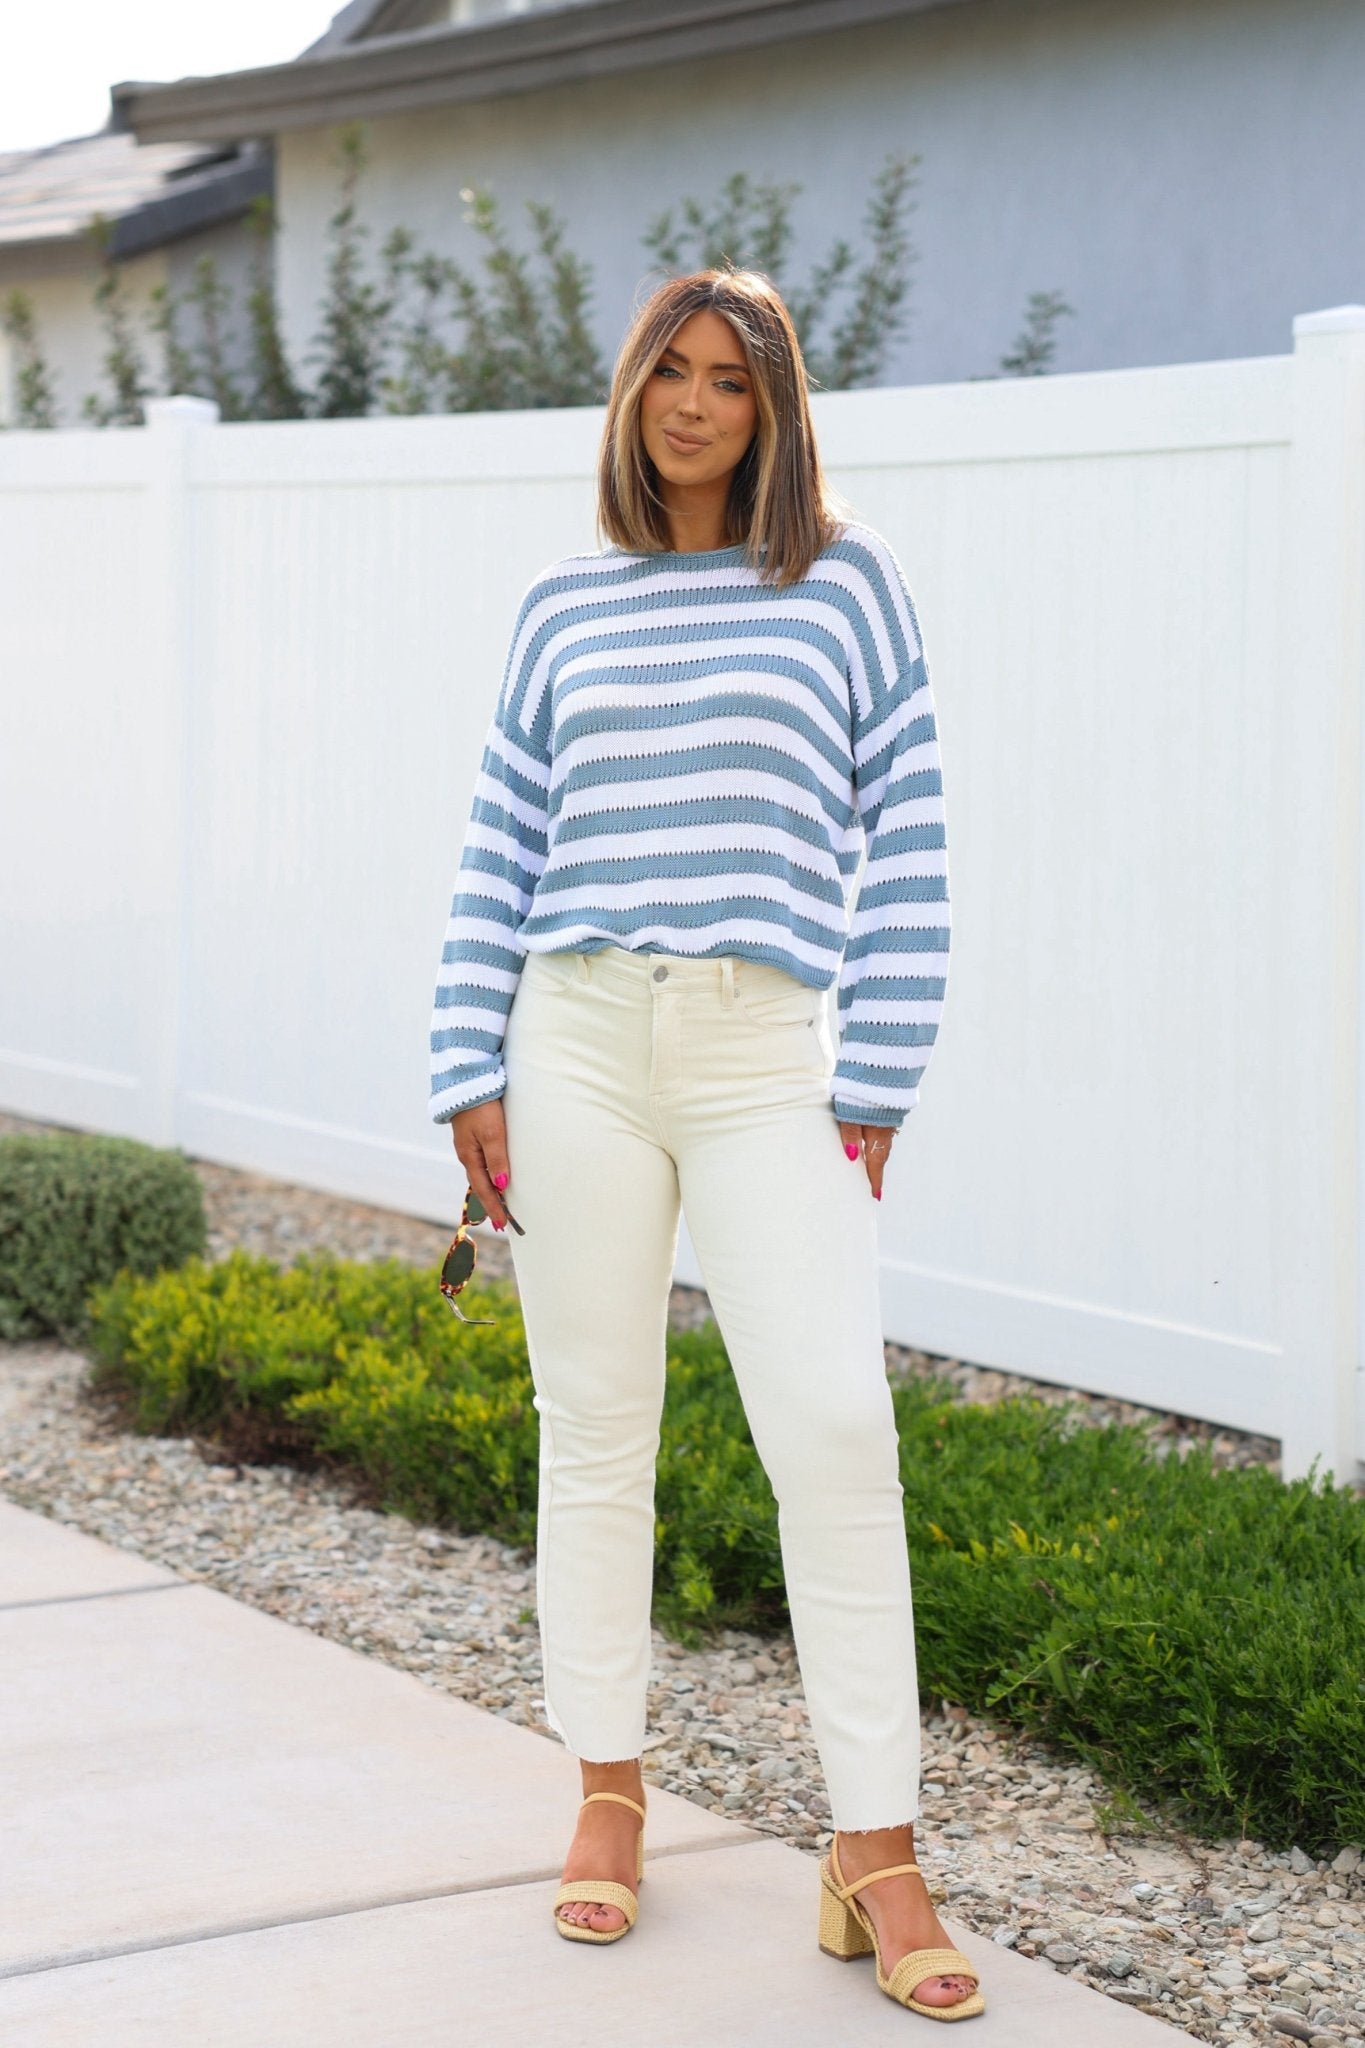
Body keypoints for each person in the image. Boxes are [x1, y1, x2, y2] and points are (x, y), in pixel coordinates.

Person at [428, 267, 983, 2022]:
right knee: (594, 1429)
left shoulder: (844, 580)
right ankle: (606, 1790)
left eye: (728, 381)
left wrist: (878, 1067)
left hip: (764, 1057)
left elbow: (910, 828)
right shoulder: (561, 600)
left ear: (773, 408)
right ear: (629, 392)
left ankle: (875, 1849)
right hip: (572, 1040)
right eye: (666, 372)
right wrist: (463, 1062)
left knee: (833, 1433)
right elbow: (500, 840)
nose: (690, 404)